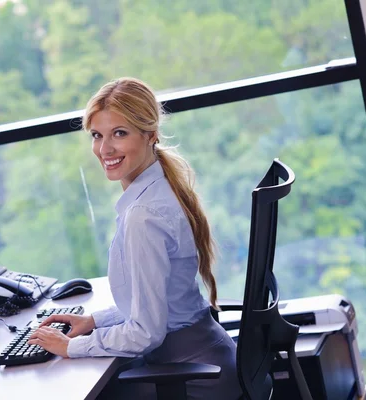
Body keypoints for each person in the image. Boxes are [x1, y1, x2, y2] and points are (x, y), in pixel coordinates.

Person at [28, 77, 242, 399]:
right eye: (97, 135)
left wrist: (73, 346)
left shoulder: (144, 215)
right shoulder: (156, 191)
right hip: (206, 360)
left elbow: (145, 333)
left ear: (150, 134)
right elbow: (160, 301)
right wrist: (93, 321)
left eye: (119, 133)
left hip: (192, 378)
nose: (105, 149)